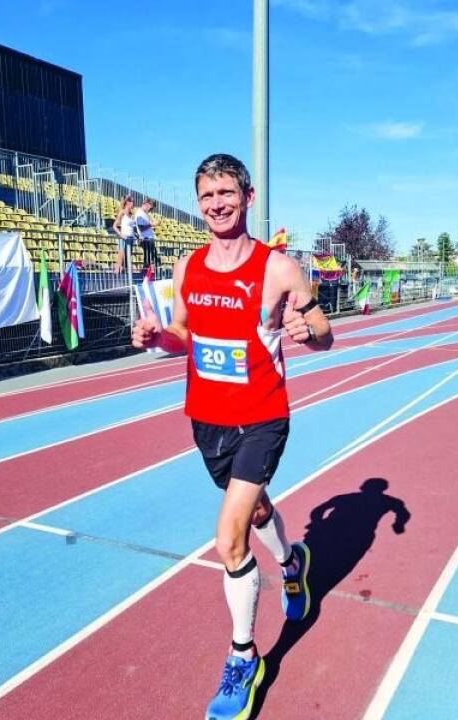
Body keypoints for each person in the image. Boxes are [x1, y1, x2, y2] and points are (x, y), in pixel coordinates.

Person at [131, 153, 334, 720]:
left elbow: (324, 331)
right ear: (199, 204)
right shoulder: (187, 268)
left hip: (263, 417)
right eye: (207, 196)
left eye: (227, 192)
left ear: (248, 196)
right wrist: (155, 337)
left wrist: (307, 331)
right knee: (259, 512)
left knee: (229, 539)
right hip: (207, 419)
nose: (217, 204)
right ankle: (294, 565)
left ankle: (245, 659)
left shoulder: (279, 269)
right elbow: (183, 334)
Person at [134, 197, 160, 274]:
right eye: (150, 208)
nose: (150, 211)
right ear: (147, 204)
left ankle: (147, 275)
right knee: (148, 260)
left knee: (153, 259)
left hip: (149, 239)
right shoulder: (139, 213)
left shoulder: (144, 214)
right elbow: (141, 228)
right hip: (146, 239)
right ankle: (144, 275)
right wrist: (152, 224)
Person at [112, 196, 136, 274]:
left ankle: (124, 275)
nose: (134, 204)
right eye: (132, 202)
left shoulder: (132, 214)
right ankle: (116, 273)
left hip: (131, 239)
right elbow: (114, 226)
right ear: (127, 203)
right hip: (124, 238)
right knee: (121, 258)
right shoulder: (122, 212)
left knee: (127, 258)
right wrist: (121, 234)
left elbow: (131, 227)